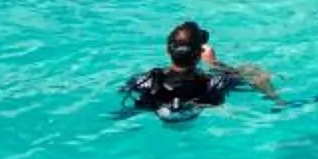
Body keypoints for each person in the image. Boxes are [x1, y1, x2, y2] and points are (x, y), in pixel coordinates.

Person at [120, 20, 282, 118]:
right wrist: (215, 63)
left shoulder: (147, 79)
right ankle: (281, 103)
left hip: (157, 110)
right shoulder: (214, 82)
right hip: (196, 110)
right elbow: (254, 78)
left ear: (168, 51)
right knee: (252, 69)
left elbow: (124, 91)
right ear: (199, 54)